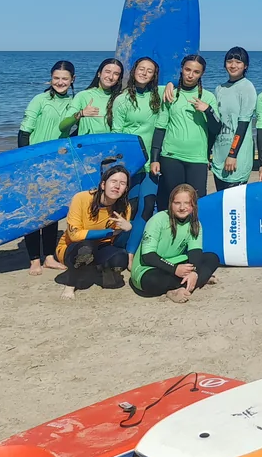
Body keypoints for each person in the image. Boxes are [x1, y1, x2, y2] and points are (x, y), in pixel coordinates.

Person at [18, 60, 77, 274]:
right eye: (56, 78)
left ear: (72, 80)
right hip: (34, 161)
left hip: (57, 164)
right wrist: (25, 161)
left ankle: (49, 256)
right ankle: (34, 258)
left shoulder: (74, 103)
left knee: (52, 210)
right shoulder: (40, 100)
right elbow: (24, 132)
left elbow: (72, 134)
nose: (60, 82)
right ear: (51, 79)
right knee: (34, 212)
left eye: (64, 78)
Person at [53, 164, 133, 299]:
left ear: (125, 189)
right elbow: (74, 234)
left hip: (101, 247)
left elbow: (117, 241)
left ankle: (104, 269)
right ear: (103, 184)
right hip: (70, 247)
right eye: (113, 181)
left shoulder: (124, 207)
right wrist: (110, 232)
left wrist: (127, 229)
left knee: (121, 258)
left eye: (122, 183)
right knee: (86, 248)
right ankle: (70, 284)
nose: (117, 186)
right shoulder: (82, 198)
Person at [130, 183, 220, 303]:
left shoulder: (195, 224)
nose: (182, 207)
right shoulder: (158, 220)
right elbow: (148, 257)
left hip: (175, 261)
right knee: (152, 281)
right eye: (177, 203)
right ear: (170, 203)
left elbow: (195, 252)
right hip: (147, 268)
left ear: (193, 205)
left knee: (212, 257)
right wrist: (175, 269)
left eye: (187, 203)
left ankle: (183, 286)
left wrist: (194, 272)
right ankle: (197, 281)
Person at [150, 55, 220, 208]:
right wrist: (154, 158)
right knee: (171, 202)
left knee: (196, 203)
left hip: (197, 158)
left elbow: (216, 129)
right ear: (181, 69)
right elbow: (160, 127)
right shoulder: (171, 94)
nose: (190, 75)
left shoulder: (208, 97)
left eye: (196, 72)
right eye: (187, 69)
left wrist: (207, 110)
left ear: (202, 74)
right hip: (171, 156)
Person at [108, 57, 162, 235]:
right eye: (141, 69)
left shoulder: (157, 95)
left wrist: (169, 85)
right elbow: (116, 134)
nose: (144, 73)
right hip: (130, 163)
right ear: (134, 71)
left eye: (149, 70)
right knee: (130, 207)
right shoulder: (122, 100)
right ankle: (122, 247)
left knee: (147, 207)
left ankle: (133, 251)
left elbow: (179, 91)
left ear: (154, 75)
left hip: (151, 162)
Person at [211, 47, 258, 191]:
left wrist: (232, 154)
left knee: (233, 205)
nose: (233, 65)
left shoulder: (247, 88)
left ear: (245, 66)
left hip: (237, 155)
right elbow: (216, 123)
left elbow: (243, 124)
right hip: (219, 155)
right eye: (229, 61)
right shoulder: (220, 88)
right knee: (221, 201)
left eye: (238, 62)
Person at [61, 58, 124, 136]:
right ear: (99, 74)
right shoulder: (83, 96)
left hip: (109, 146)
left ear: (119, 79)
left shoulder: (120, 99)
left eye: (116, 74)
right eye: (107, 72)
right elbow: (63, 127)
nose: (111, 77)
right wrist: (81, 113)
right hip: (86, 146)